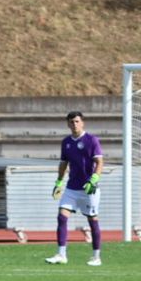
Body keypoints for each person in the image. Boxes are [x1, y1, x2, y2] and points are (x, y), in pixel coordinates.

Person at [48, 110, 103, 266]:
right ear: (68, 124)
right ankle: (61, 255)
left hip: (89, 189)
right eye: (71, 122)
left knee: (93, 220)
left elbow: (99, 163)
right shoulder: (66, 142)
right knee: (61, 217)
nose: (74, 124)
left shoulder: (92, 140)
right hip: (72, 188)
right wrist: (59, 182)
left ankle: (96, 257)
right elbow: (63, 164)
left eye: (77, 121)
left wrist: (94, 179)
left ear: (82, 122)